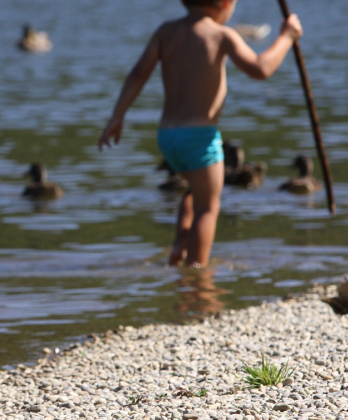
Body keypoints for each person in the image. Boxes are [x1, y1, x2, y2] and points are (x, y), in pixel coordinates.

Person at [98, 0, 303, 267]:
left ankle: (179, 247)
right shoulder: (222, 34)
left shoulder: (165, 32)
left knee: (195, 193)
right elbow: (260, 68)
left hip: (168, 136)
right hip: (200, 137)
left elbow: (138, 74)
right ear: (225, 3)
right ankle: (197, 271)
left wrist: (117, 116)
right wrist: (287, 36)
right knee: (208, 208)